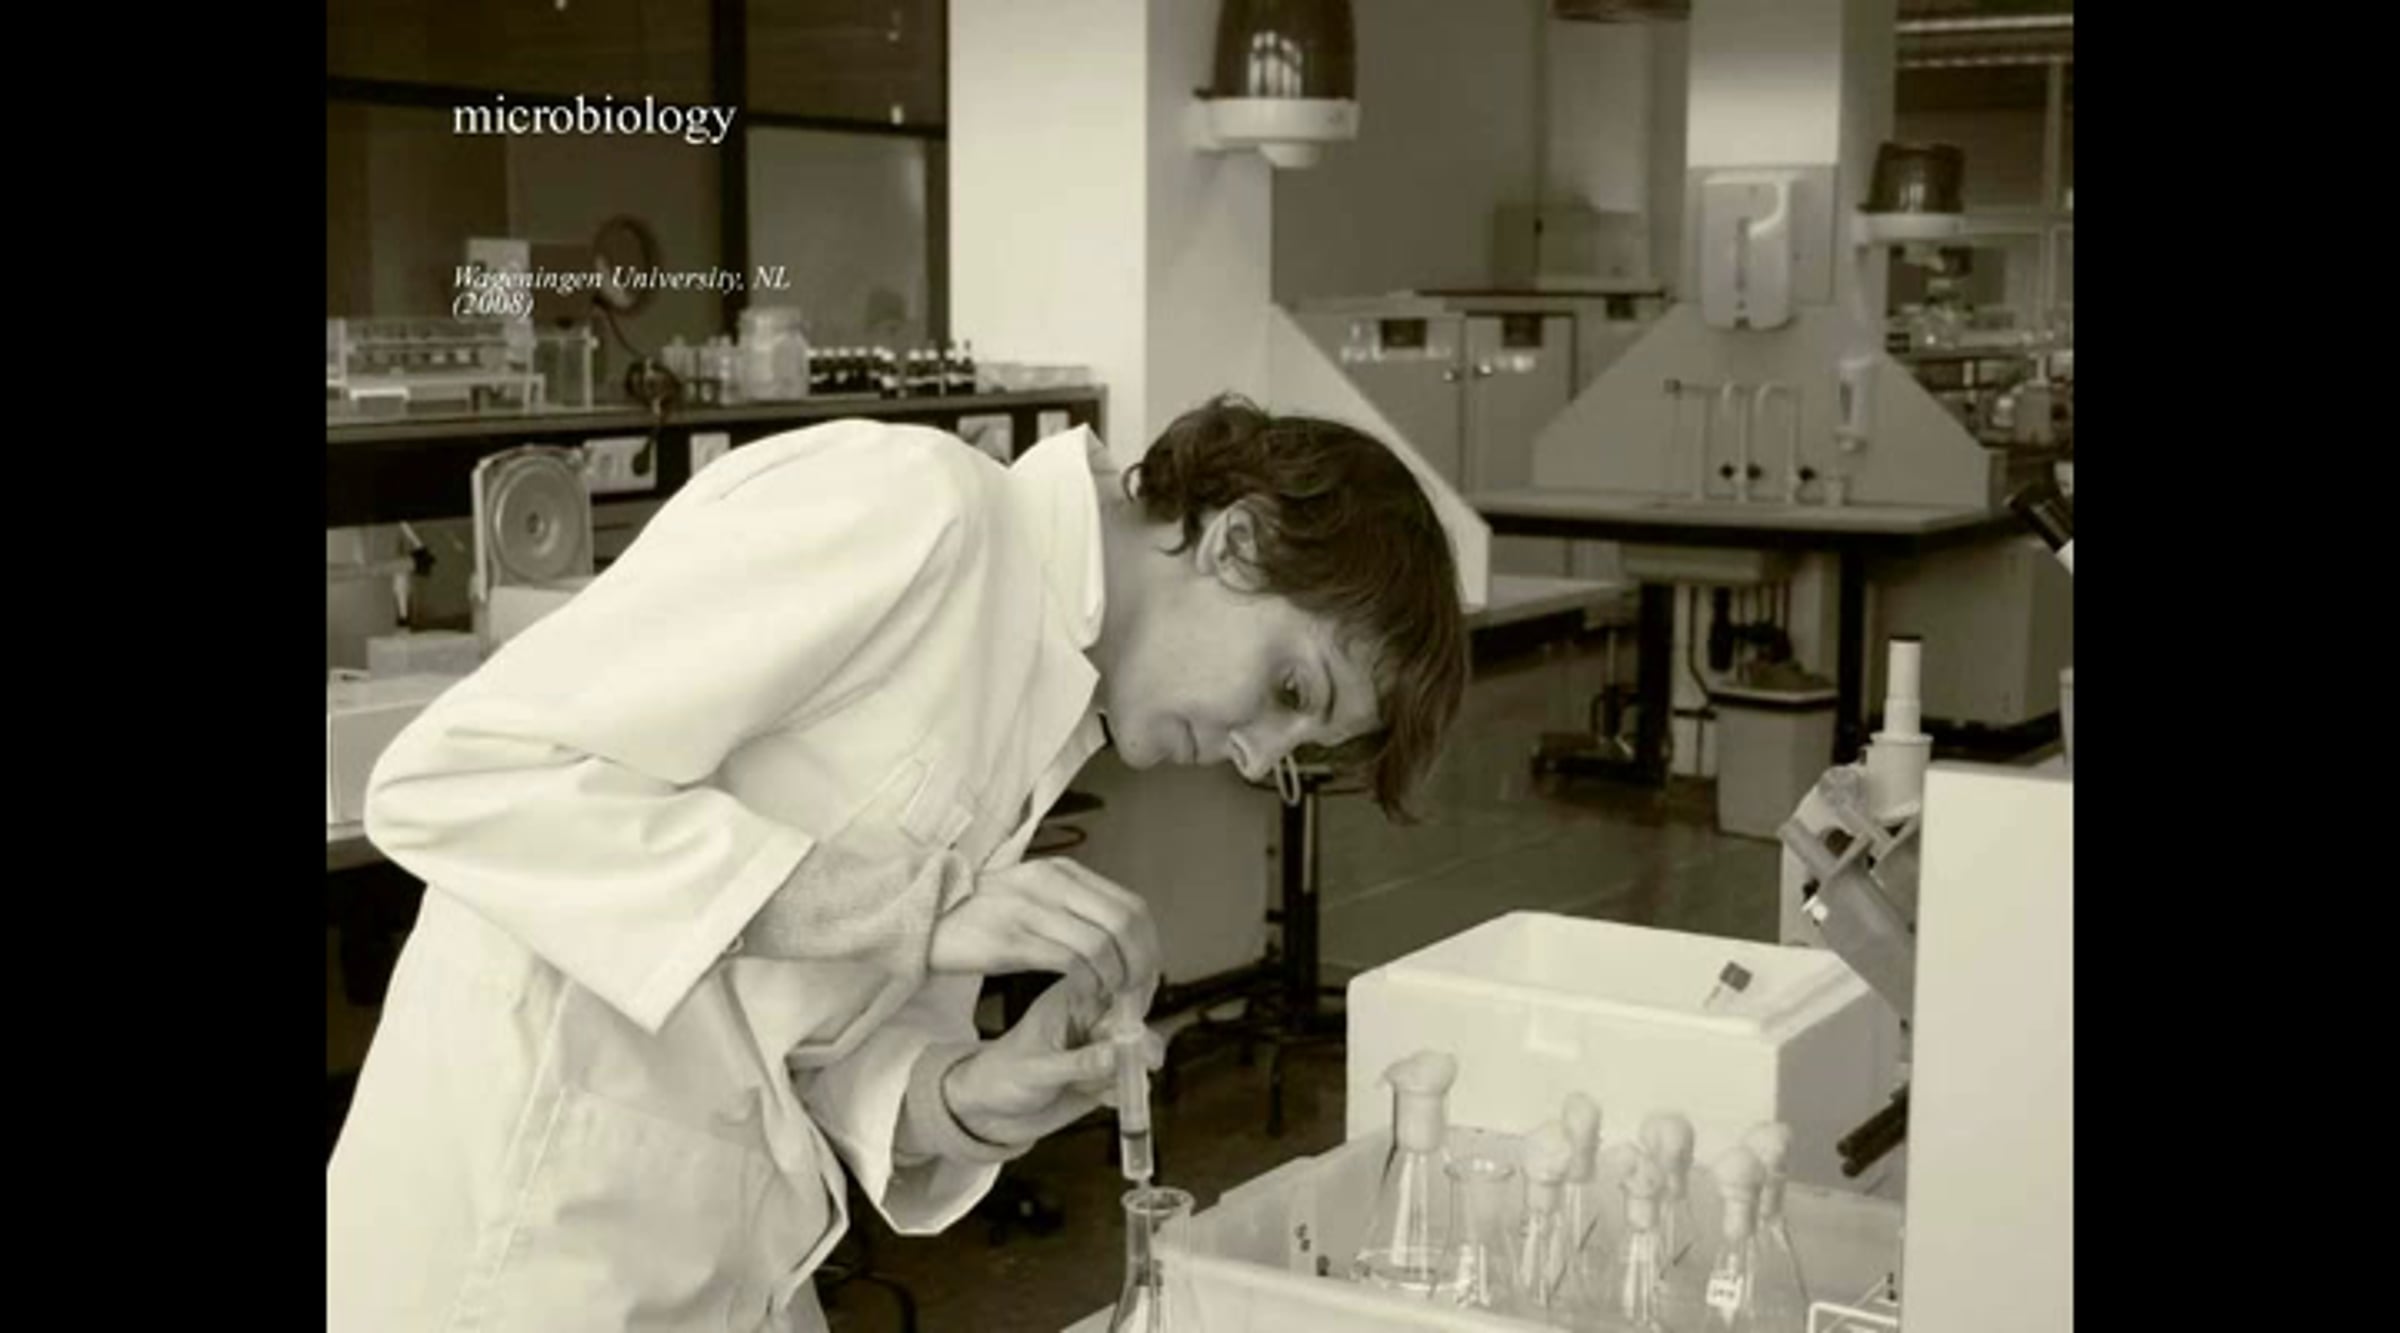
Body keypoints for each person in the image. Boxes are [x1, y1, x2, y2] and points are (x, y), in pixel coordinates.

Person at [326, 393, 1469, 1331]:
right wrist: (913, 908)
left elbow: (814, 1039)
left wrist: (970, 1091)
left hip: (709, 1258)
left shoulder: (1048, 693)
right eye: (1289, 688)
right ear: (1237, 540)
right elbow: (463, 776)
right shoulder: (918, 511)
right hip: (519, 1247)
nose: (1256, 753)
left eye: (1295, 745)